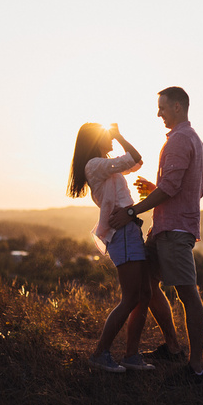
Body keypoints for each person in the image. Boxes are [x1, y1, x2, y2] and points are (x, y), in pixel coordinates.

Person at [109, 87, 203, 383]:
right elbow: (192, 188)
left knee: (188, 294)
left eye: (162, 107)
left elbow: (173, 188)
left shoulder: (179, 140)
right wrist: (156, 189)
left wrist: (131, 211)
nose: (158, 113)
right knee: (145, 286)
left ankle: (196, 368)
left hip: (175, 230)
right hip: (165, 226)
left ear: (178, 107)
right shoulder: (194, 140)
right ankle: (173, 347)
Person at [67, 122, 155, 373]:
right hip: (122, 233)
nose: (112, 141)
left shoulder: (106, 167)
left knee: (144, 293)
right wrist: (120, 135)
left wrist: (116, 137)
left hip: (130, 230)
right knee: (131, 298)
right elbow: (134, 158)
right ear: (96, 140)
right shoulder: (96, 165)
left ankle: (131, 355)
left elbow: (136, 164)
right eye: (107, 137)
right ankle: (100, 353)